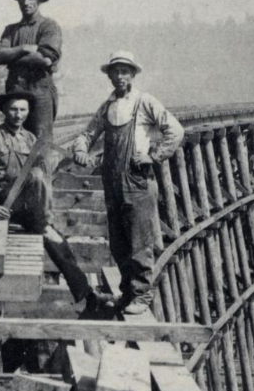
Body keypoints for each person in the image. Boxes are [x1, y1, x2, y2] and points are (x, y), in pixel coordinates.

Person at [71, 51, 183, 314]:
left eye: (125, 71)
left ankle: (142, 296)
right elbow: (88, 133)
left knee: (139, 241)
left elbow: (175, 130)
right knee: (119, 242)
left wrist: (154, 155)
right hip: (112, 182)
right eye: (115, 72)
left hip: (137, 181)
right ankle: (127, 293)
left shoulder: (144, 102)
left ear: (133, 74)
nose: (120, 76)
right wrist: (80, 149)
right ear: (109, 75)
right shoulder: (108, 105)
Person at [0, 90, 96, 311]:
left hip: (27, 202)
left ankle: (86, 295)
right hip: (5, 201)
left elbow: (47, 174)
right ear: (4, 110)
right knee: (44, 211)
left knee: (55, 238)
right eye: (13, 109)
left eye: (23, 110)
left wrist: (76, 157)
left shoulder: (29, 138)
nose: (18, 115)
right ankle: (44, 224)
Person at [0, 0, 61, 140]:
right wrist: (24, 48)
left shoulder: (49, 26)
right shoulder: (11, 30)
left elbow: (45, 58)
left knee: (41, 143)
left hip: (40, 91)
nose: (25, 2)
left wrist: (11, 57)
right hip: (15, 91)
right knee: (14, 139)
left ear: (39, 0)